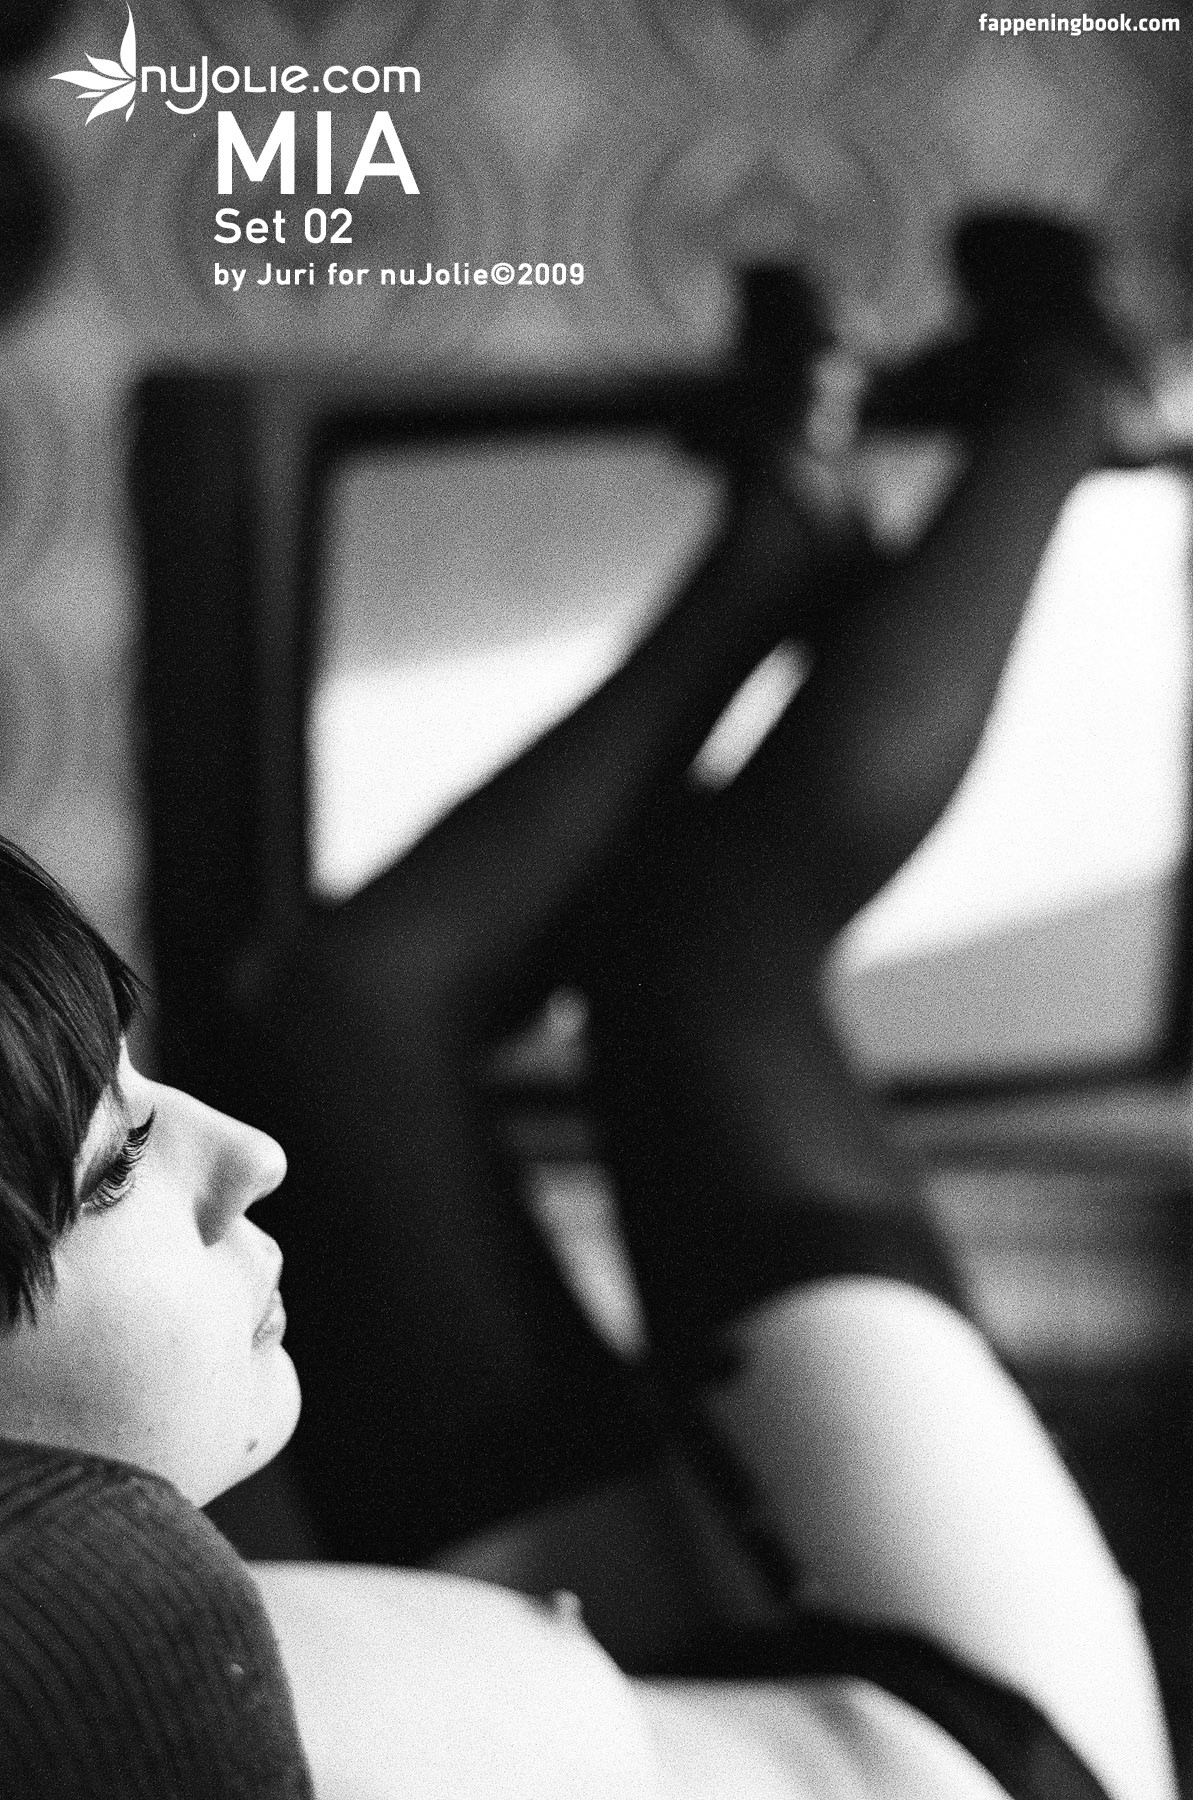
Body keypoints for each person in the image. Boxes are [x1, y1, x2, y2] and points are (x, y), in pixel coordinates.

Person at [0, 215, 1177, 1797]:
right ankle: (1062, 398)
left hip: (605, 1675)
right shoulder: (116, 1693)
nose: (247, 1157)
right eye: (120, 1167)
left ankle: (776, 544)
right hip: (956, 1747)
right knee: (697, 959)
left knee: (330, 1017)